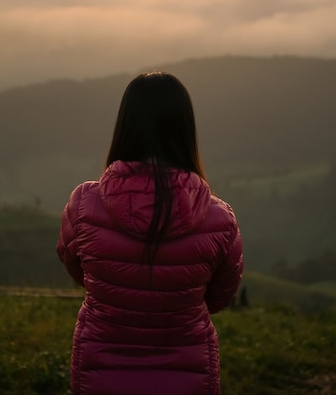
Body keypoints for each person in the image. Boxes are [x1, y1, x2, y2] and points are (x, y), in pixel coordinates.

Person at [57, 71, 243, 395]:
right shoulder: (220, 219)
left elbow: (80, 271)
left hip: (101, 372)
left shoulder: (83, 205)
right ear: (186, 131)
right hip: (187, 374)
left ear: (125, 126)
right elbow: (219, 296)